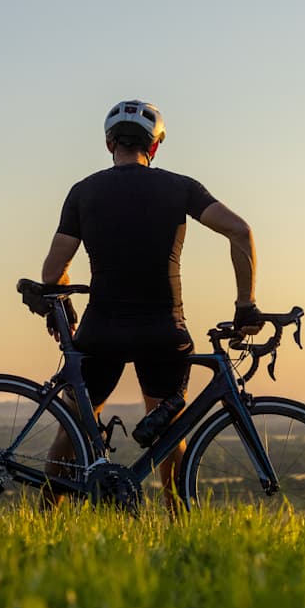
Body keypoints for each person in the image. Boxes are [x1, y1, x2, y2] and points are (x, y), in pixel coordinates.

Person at [41, 99, 262, 503]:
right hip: (162, 331)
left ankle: (43, 520)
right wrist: (245, 304)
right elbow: (240, 231)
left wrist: (64, 303)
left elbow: (52, 272)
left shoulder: (83, 192)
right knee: (169, 431)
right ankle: (178, 522)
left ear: (110, 144)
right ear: (154, 147)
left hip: (101, 330)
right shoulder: (181, 188)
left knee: (71, 427)